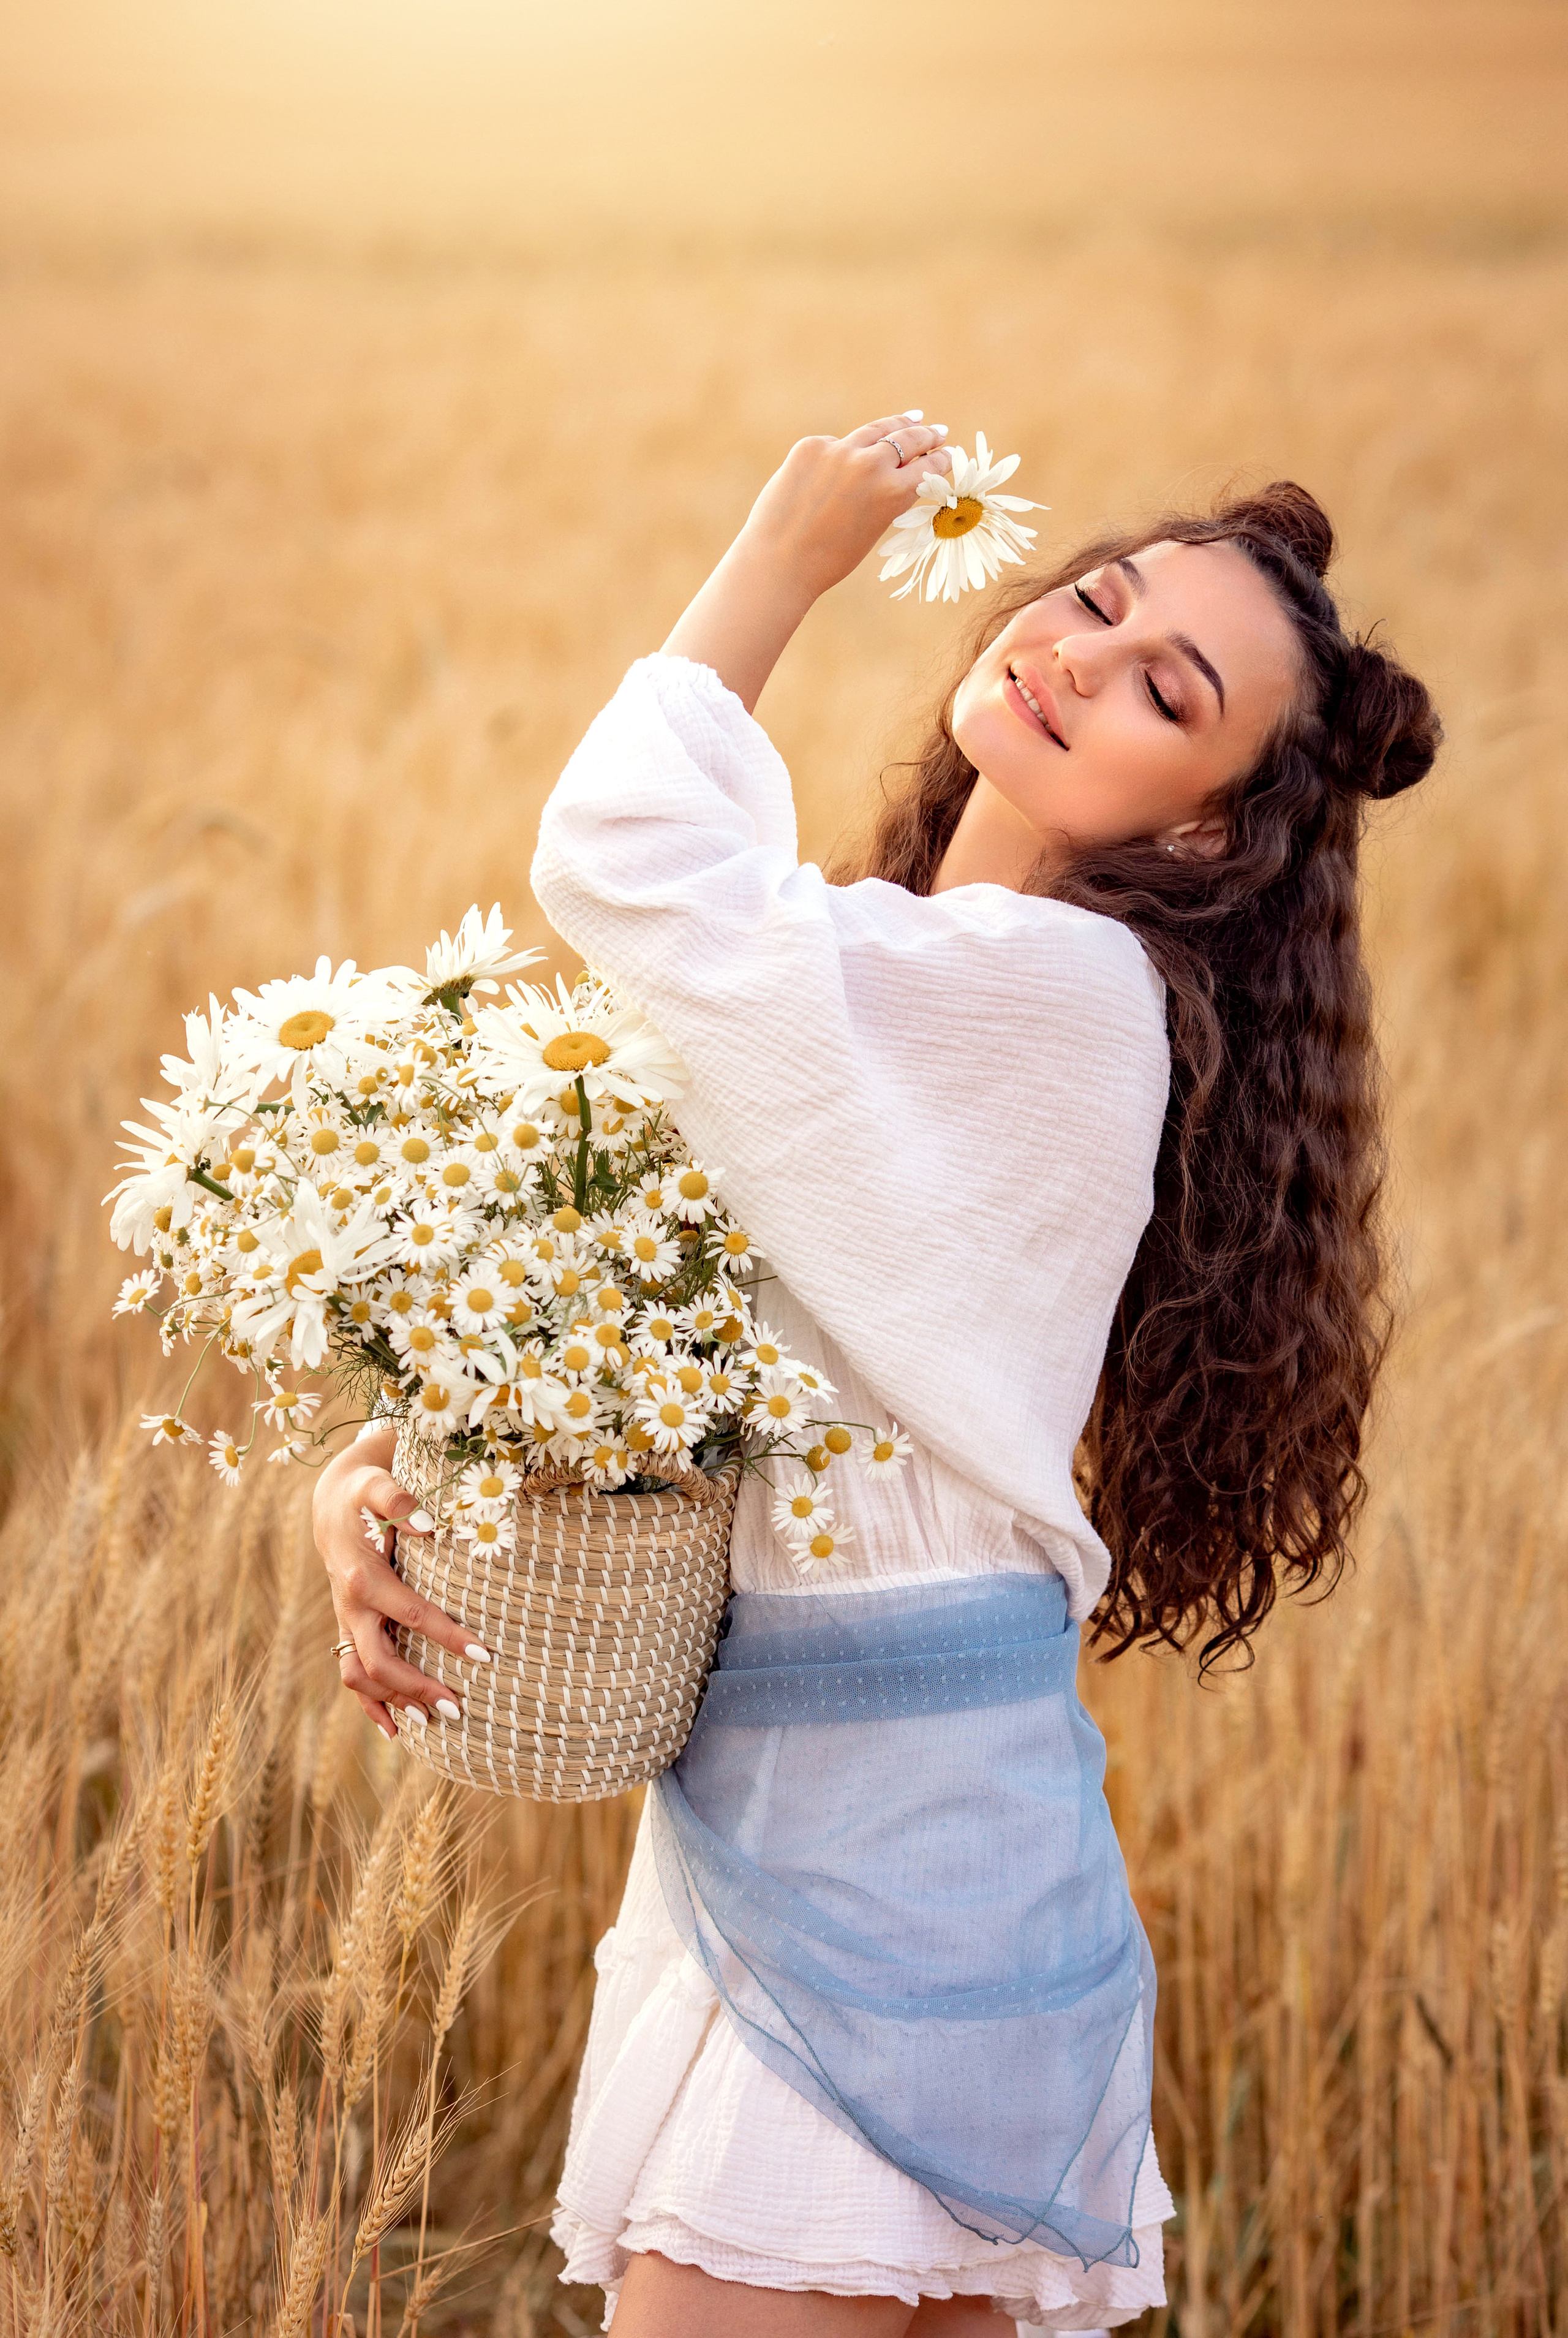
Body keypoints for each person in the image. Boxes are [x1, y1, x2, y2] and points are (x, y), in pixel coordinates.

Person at [312, 414, 1440, 2336]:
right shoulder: (910, 976)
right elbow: (666, 1332)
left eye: (1165, 688)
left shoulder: (1063, 1002)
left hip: (901, 1879)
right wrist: (389, 1466)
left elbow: (636, 861)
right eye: (1092, 601)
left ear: (1202, 831)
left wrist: (780, 555)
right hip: (814, 1850)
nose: (1081, 652)